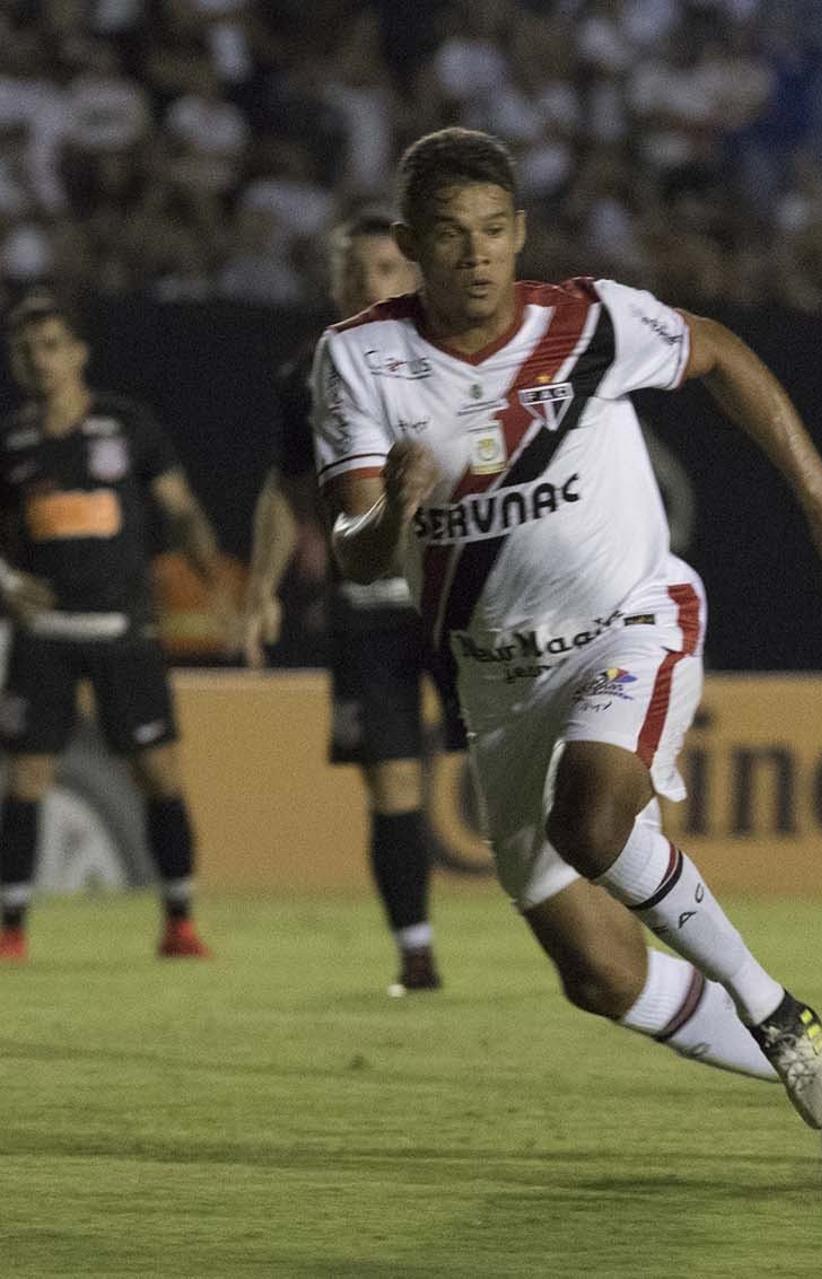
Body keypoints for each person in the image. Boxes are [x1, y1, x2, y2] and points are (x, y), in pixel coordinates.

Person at [312, 128, 822, 1164]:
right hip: (495, 681)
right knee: (598, 974)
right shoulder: (359, 358)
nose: (477, 255)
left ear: (520, 231)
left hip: (631, 619)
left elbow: (719, 348)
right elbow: (359, 558)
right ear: (410, 243)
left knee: (592, 821)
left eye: (495, 231)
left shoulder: (586, 319)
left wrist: (821, 493)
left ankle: (781, 1018)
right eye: (450, 236)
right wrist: (392, 515)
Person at [241, 210, 462, 995]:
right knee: (391, 782)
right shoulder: (306, 371)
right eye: (349, 270)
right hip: (364, 606)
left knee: (514, 768)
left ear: (410, 275)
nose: (362, 283)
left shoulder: (456, 353)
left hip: (455, 601)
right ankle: (416, 952)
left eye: (380, 268)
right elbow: (288, 487)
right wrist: (263, 588)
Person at [0, 295, 227, 963]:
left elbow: (180, 510)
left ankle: (179, 920)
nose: (40, 360)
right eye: (26, 350)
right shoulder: (13, 442)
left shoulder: (127, 426)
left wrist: (214, 583)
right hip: (46, 632)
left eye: (50, 345)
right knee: (26, 776)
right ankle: (12, 926)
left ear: (78, 353)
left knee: (158, 773)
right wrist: (9, 586)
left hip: (123, 629)